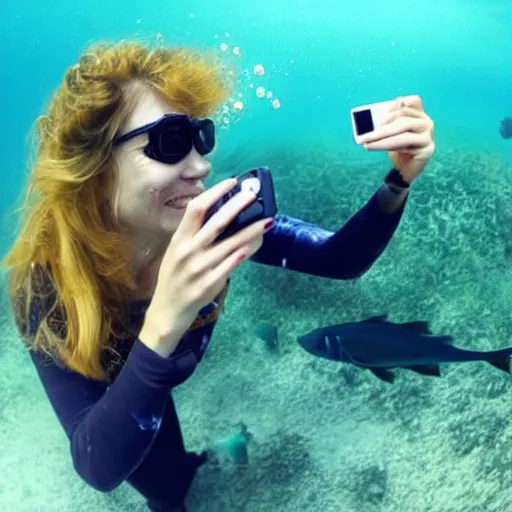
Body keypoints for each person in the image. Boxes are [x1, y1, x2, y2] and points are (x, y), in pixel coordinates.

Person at [2, 40, 435, 511]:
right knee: (165, 488)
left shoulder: (216, 220)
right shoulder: (45, 283)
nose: (202, 166)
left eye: (200, 137)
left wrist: (399, 180)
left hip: (151, 381)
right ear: (95, 166)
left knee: (166, 444)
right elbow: (96, 464)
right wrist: (165, 320)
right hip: (117, 391)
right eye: (169, 143)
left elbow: (341, 259)